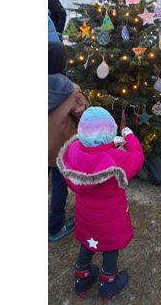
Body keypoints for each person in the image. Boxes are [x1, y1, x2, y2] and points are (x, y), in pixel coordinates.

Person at [56, 107, 144, 300]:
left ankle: (82, 278)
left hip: (87, 217)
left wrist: (110, 143)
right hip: (111, 220)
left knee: (88, 243)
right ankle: (108, 282)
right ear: (110, 131)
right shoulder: (117, 158)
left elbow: (94, 152)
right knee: (111, 247)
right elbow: (137, 158)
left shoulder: (74, 150)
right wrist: (129, 137)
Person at [48, 42, 84, 241]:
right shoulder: (70, 89)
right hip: (60, 148)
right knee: (59, 185)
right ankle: (56, 227)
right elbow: (82, 112)